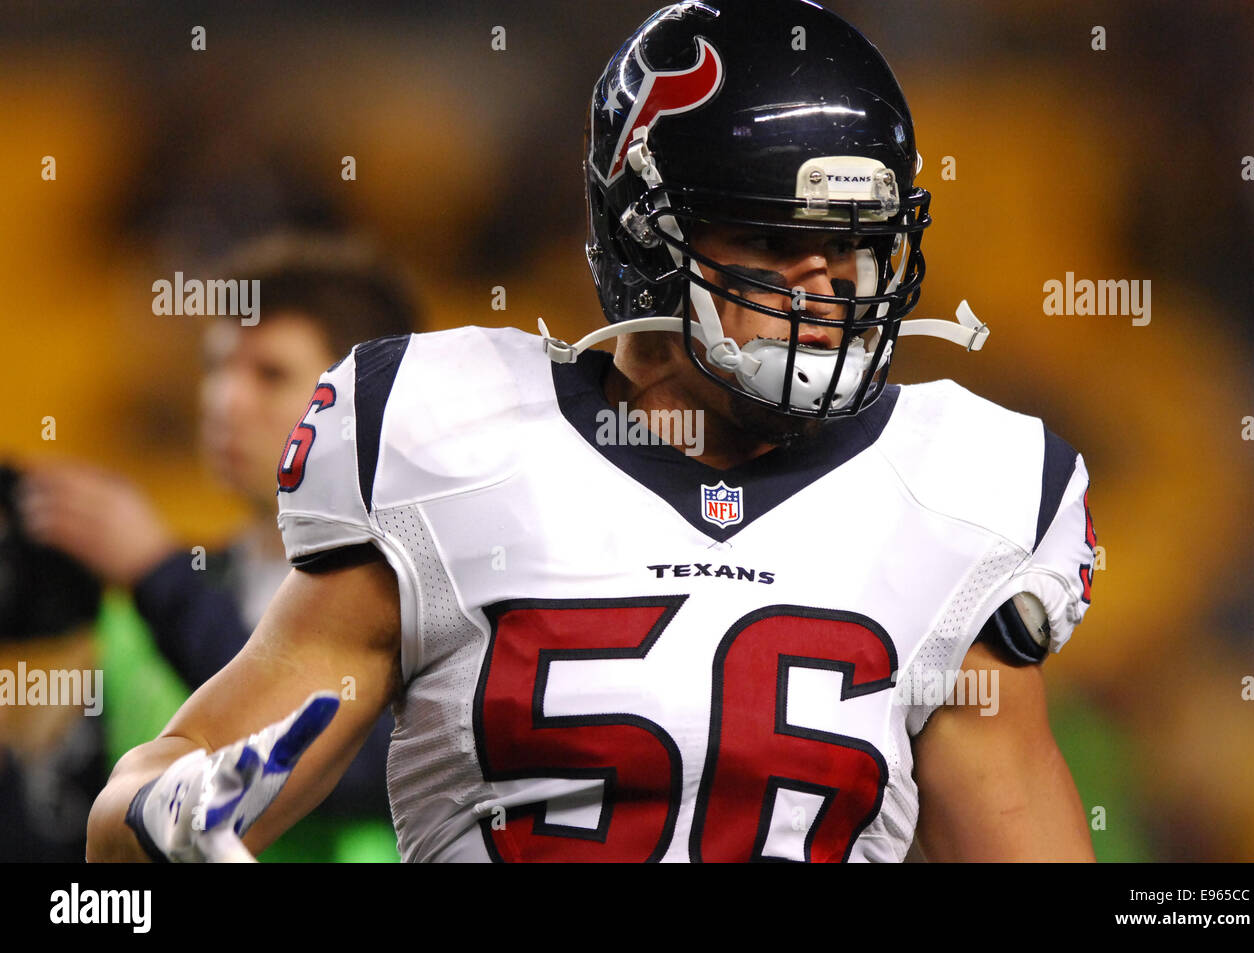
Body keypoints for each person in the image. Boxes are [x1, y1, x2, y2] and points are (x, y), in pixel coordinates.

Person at [87, 0, 1098, 863]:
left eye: (848, 248)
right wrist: (158, 813)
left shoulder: (960, 492)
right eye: (773, 242)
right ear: (643, 235)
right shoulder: (448, 438)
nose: (823, 287)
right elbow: (145, 796)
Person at [22, 233, 420, 860]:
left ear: (368, 403)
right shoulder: (156, 598)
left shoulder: (429, 594)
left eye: (269, 374)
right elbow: (67, 823)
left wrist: (160, 577)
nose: (224, 401)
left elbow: (365, 774)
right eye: (216, 368)